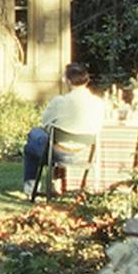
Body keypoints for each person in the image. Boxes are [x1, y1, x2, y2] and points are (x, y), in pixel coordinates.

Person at [21, 62, 106, 195]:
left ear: (67, 81)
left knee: (32, 140)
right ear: (87, 80)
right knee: (38, 138)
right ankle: (53, 183)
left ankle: (31, 186)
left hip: (57, 153)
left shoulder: (59, 102)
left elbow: (45, 123)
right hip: (82, 151)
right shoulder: (98, 103)